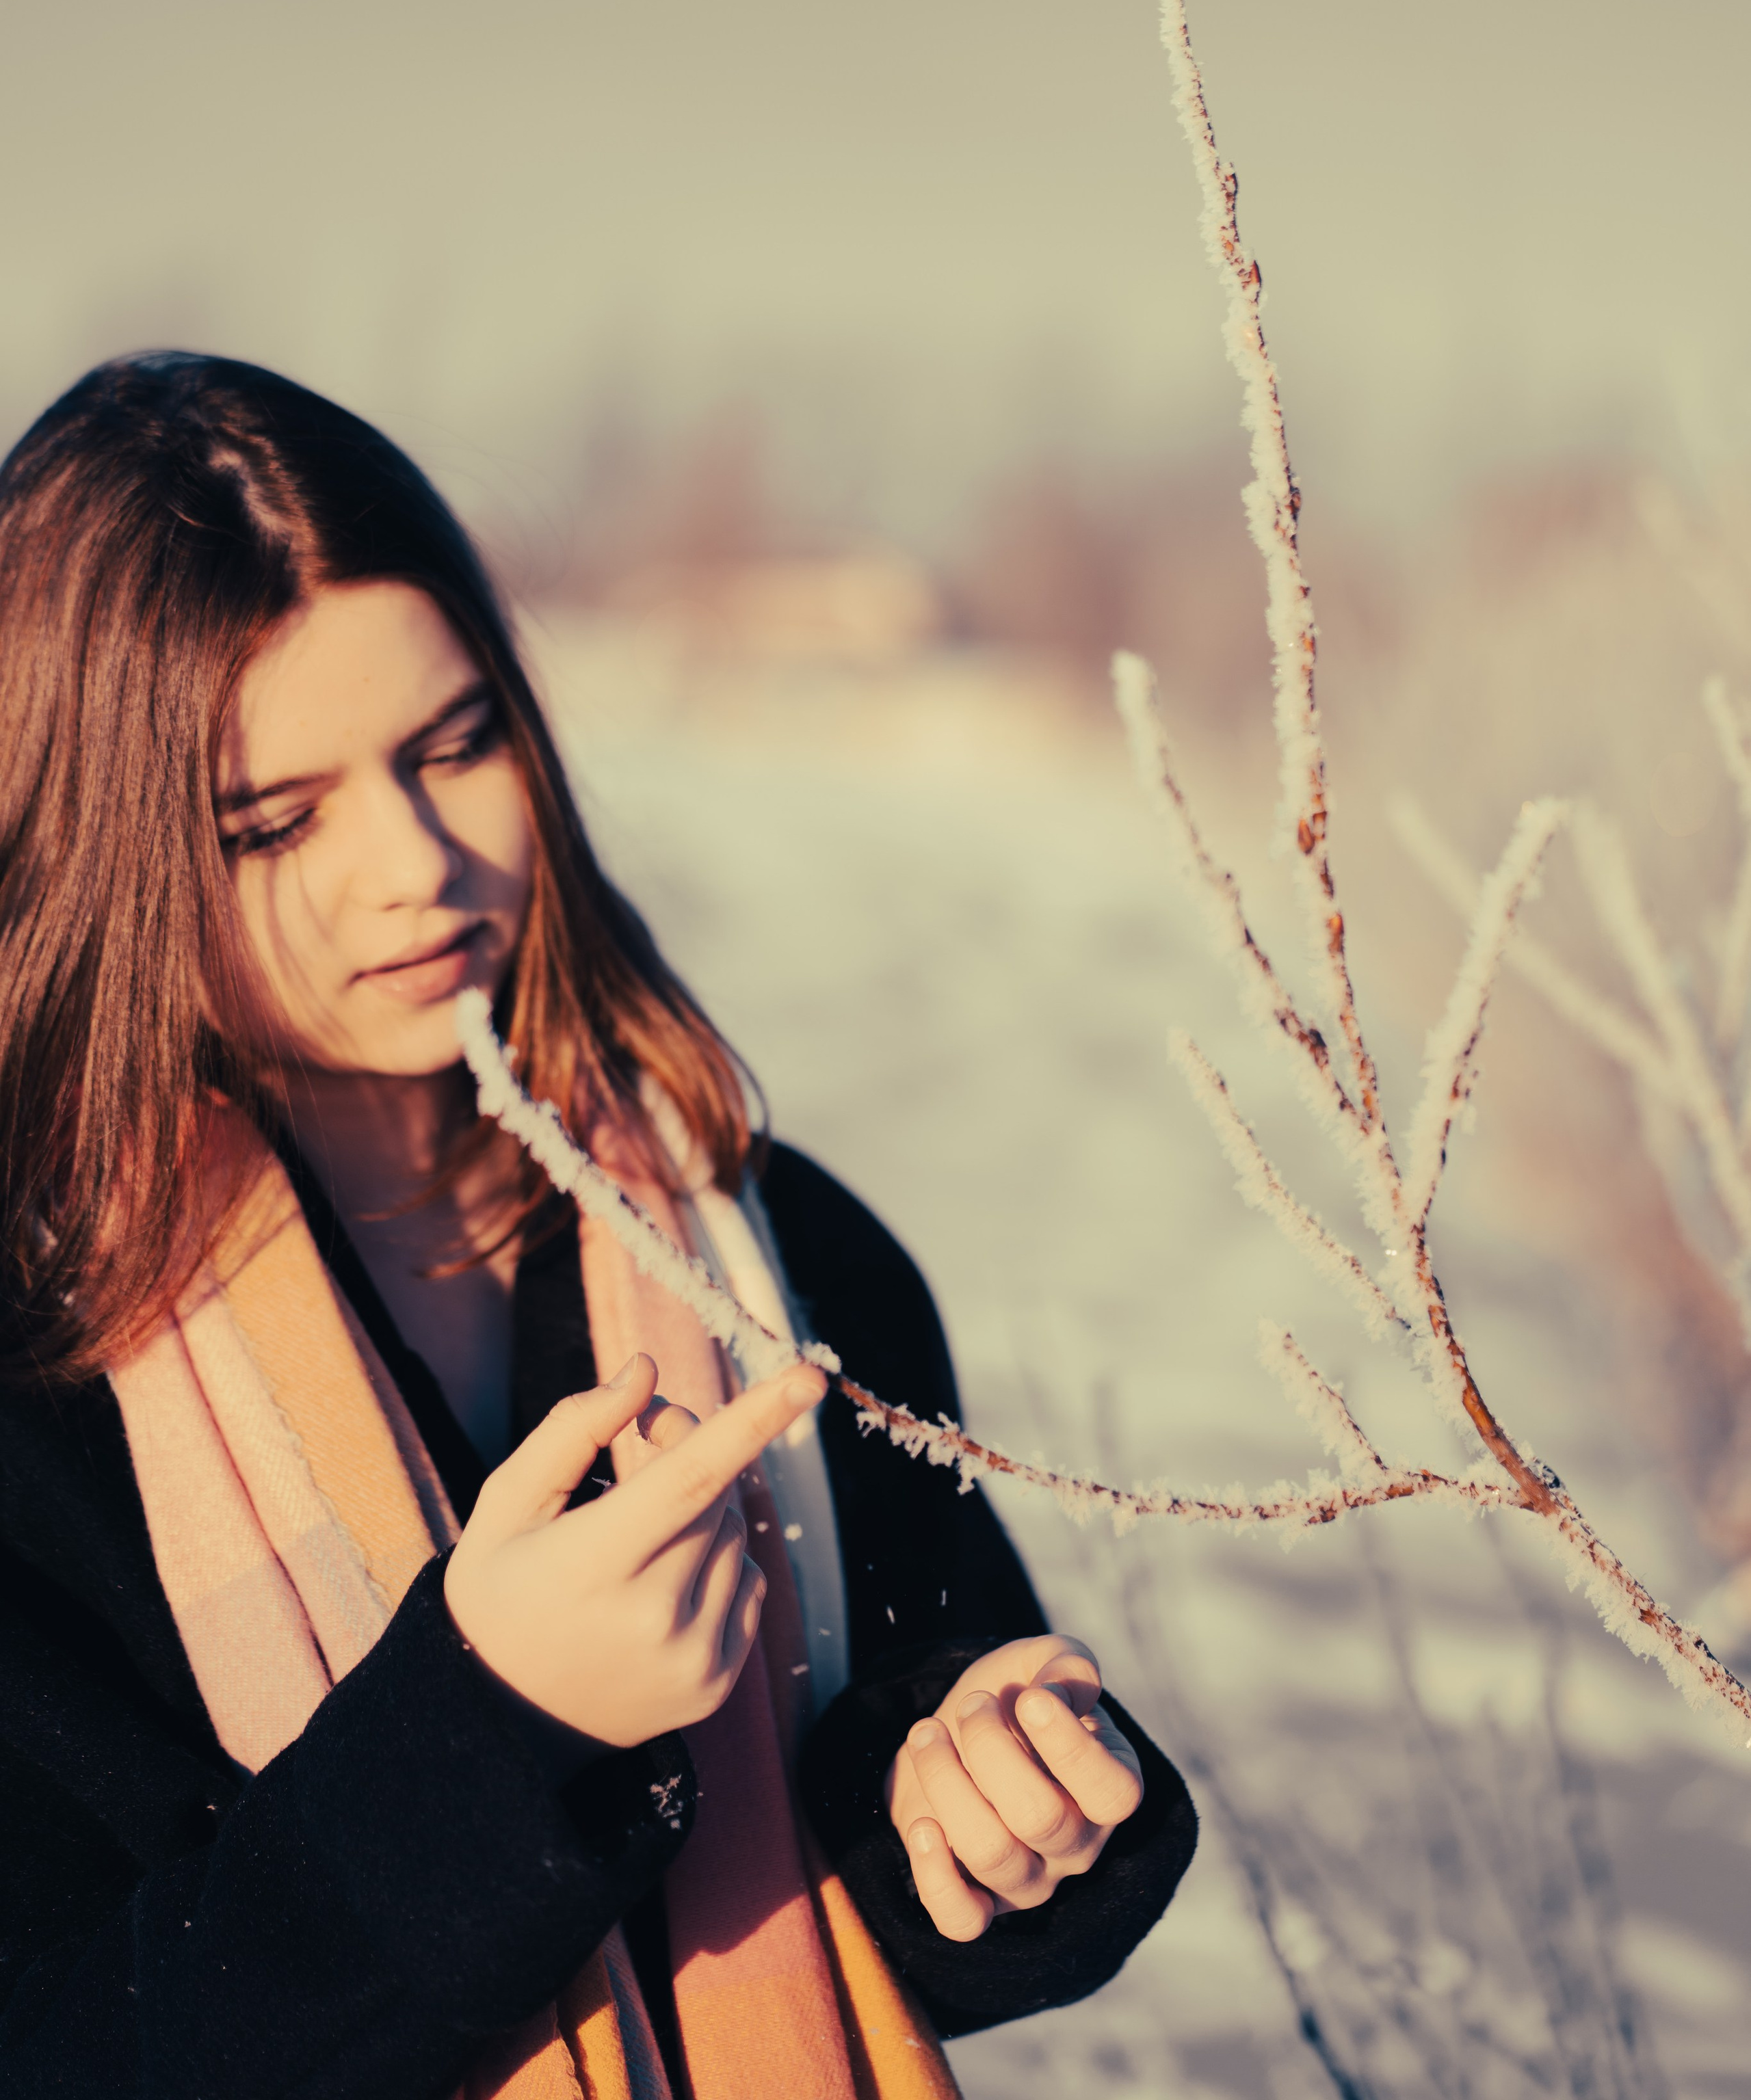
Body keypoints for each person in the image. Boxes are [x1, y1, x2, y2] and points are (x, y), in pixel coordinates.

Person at [0, 353, 1196, 2100]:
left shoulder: (769, 1246)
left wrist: (996, 1801)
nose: (410, 859)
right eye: (271, 819)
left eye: (452, 743)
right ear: (100, 848)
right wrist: (493, 1725)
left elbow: (893, 1804)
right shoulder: (39, 1369)